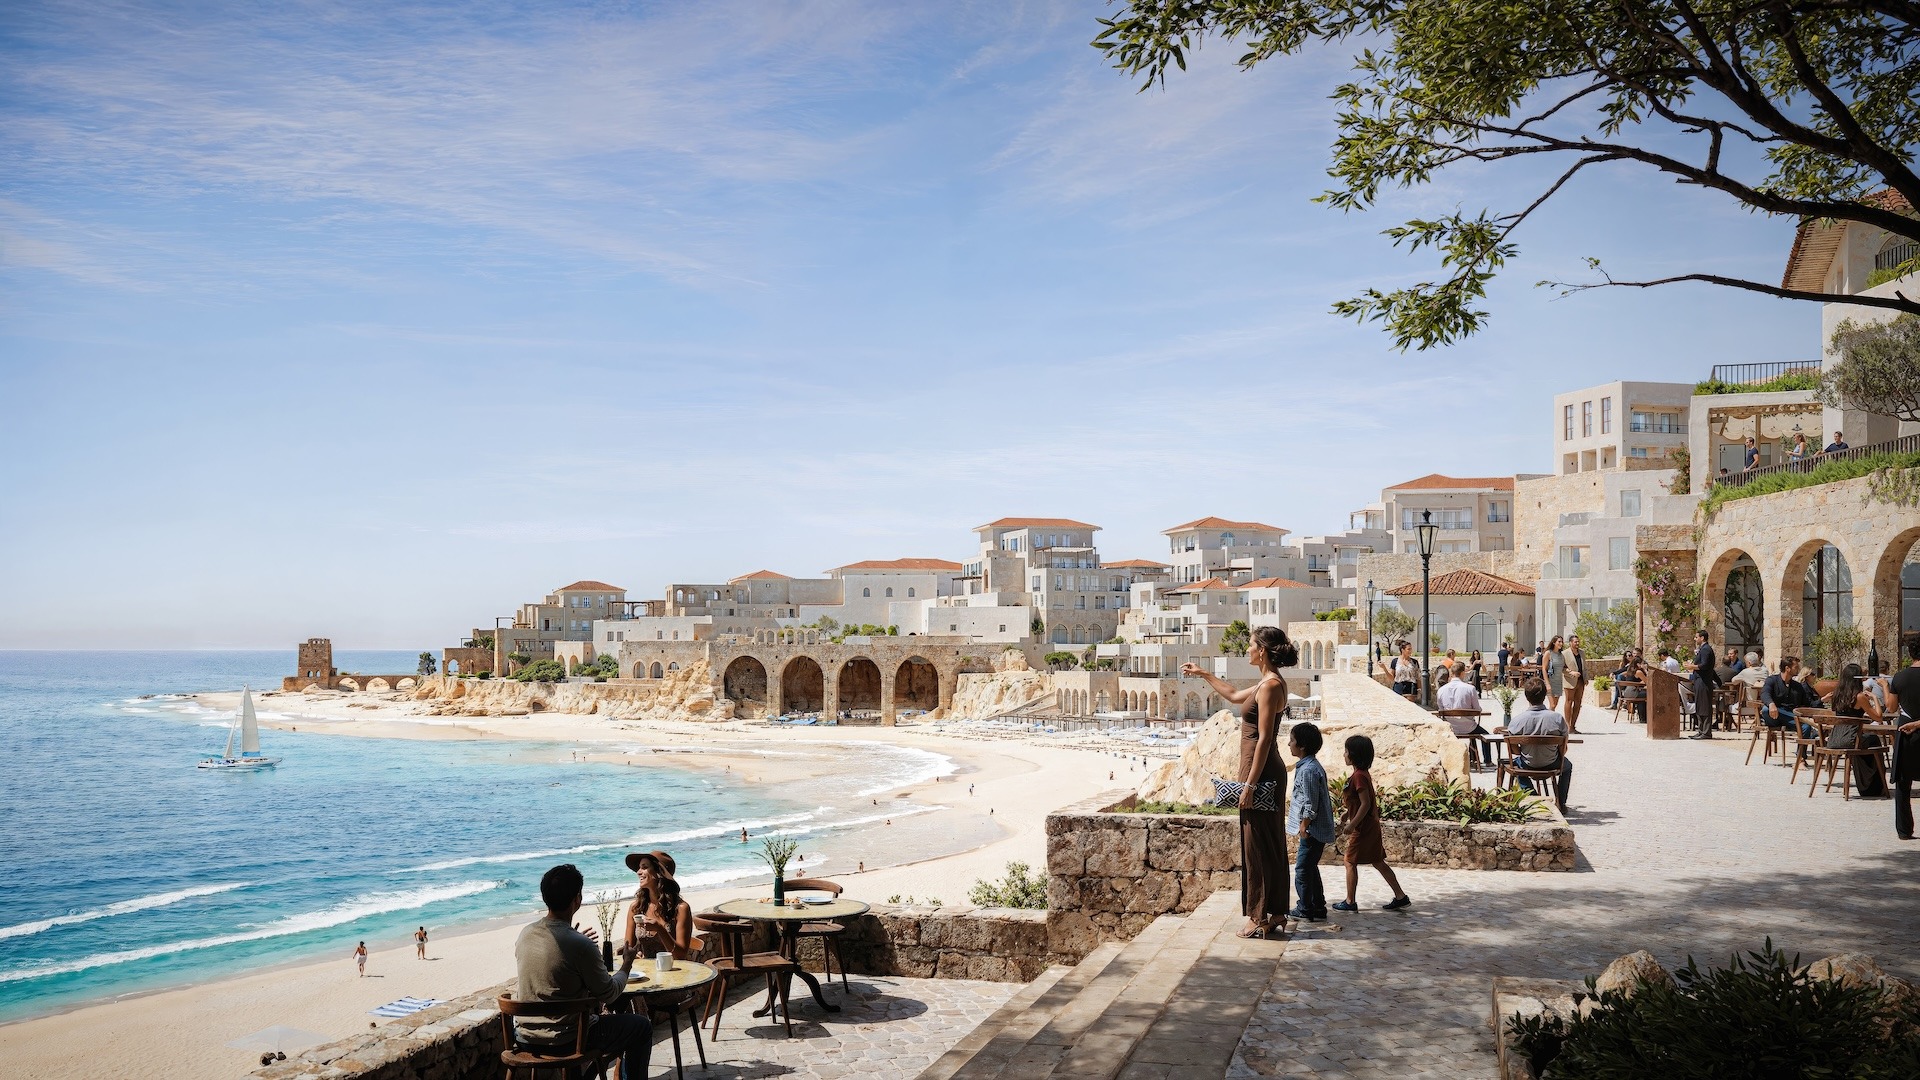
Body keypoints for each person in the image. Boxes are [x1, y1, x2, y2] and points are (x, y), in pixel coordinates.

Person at [1182, 625, 1296, 938]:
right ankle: (1275, 912)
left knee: (1256, 845)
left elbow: (1263, 739)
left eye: (1251, 644)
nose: (1247, 649)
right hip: (1259, 770)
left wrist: (1250, 785)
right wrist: (1204, 674)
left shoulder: (1270, 686)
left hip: (1260, 772)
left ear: (1262, 650)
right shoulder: (1267, 683)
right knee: (1267, 843)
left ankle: (1258, 916)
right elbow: (1233, 696)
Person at [515, 864, 651, 1078]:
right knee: (640, 1026)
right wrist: (627, 963)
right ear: (577, 899)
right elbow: (609, 993)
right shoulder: (580, 945)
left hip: (525, 1037)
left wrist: (575, 942)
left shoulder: (526, 934)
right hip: (567, 1040)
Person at [1331, 735, 1409, 913]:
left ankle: (1350, 901)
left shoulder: (1358, 776)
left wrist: (1352, 824)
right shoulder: (1361, 774)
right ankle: (1400, 896)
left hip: (1363, 828)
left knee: (1349, 861)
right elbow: (1360, 802)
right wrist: (1347, 813)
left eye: (1346, 751)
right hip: (1370, 826)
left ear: (1354, 755)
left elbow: (1365, 804)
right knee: (1377, 861)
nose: (1344, 755)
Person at [1286, 721, 1334, 924]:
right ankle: (1317, 906)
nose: (1289, 744)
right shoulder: (1310, 766)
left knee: (1302, 869)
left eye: (1292, 740)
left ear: (1302, 745)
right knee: (1310, 867)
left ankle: (1305, 908)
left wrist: (1304, 824)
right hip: (1314, 828)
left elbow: (1310, 802)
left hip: (1312, 829)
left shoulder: (1308, 770)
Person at [1507, 679, 1571, 814]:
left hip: (1528, 764)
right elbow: (1563, 749)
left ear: (1526, 696)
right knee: (1567, 766)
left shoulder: (1517, 721)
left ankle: (1534, 797)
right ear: (1545, 696)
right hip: (1551, 763)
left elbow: (1514, 750)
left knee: (1516, 765)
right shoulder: (1557, 719)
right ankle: (1561, 802)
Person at [1827, 664, 1886, 798]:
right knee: (1873, 740)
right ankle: (1873, 786)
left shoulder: (1837, 695)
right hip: (1851, 739)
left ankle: (1866, 785)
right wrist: (1875, 698)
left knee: (1866, 740)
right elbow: (1878, 717)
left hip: (1835, 738)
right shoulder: (1859, 697)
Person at [624, 851, 696, 960]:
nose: (638, 872)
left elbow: (680, 956)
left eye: (644, 867)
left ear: (659, 872)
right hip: (644, 969)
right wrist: (634, 954)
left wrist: (660, 929)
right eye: (639, 868)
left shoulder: (681, 909)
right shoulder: (636, 908)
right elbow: (627, 949)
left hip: (674, 969)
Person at [1762, 655, 1821, 761]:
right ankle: (1801, 722)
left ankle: (1800, 758)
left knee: (1806, 726)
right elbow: (1765, 693)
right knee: (1766, 710)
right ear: (1787, 668)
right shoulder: (1772, 680)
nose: (1798, 669)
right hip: (1774, 717)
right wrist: (1771, 704)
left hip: (1791, 718)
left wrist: (1822, 701)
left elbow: (1808, 703)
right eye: (1796, 667)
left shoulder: (1797, 686)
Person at [1891, 635, 1920, 840]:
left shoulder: (1899, 677)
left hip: (1905, 730)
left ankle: (1904, 830)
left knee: (1903, 783)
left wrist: (1885, 688)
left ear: (1910, 654)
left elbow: (1892, 707)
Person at [1438, 661, 1493, 768]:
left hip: (1451, 727)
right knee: (1486, 735)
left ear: (1451, 673)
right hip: (1468, 727)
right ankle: (1487, 760)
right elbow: (1477, 709)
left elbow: (1441, 710)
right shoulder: (1470, 688)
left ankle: (1471, 758)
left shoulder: (1441, 690)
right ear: (1463, 673)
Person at [1687, 630, 1721, 739]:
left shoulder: (1706, 649)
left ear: (1702, 638)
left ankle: (1706, 732)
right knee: (1700, 705)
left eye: (1696, 637)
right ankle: (1701, 730)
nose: (1695, 639)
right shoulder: (1703, 649)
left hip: (1703, 681)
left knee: (1705, 706)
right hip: (1700, 681)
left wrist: (1692, 666)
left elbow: (1705, 665)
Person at [1563, 634, 1588, 732]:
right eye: (1575, 642)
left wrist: (1586, 677)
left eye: (1578, 641)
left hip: (1580, 682)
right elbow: (1562, 668)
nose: (1577, 643)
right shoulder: (1564, 653)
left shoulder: (1582, 653)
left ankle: (1573, 726)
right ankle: (1567, 726)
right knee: (1569, 702)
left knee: (1578, 703)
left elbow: (1584, 666)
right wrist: (1571, 672)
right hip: (1570, 681)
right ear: (1570, 643)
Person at [1543, 635, 1566, 712]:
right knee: (1552, 704)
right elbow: (1544, 669)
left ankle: (1549, 718)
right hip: (1550, 682)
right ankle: (1546, 718)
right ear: (1554, 642)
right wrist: (1547, 684)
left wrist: (1571, 672)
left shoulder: (1561, 655)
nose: (1561, 643)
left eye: (1562, 642)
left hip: (1558, 682)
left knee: (1554, 705)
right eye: (1559, 641)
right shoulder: (1548, 653)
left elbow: (1563, 668)